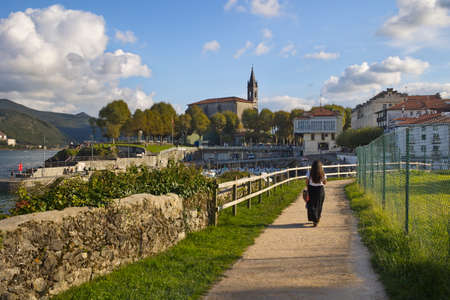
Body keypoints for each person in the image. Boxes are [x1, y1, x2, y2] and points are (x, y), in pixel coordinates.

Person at [305, 160, 327, 227]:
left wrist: (308, 187)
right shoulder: (322, 172)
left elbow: (307, 181)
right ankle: (317, 218)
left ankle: (314, 219)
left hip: (311, 189)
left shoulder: (309, 172)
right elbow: (325, 182)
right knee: (319, 205)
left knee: (312, 205)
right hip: (320, 190)